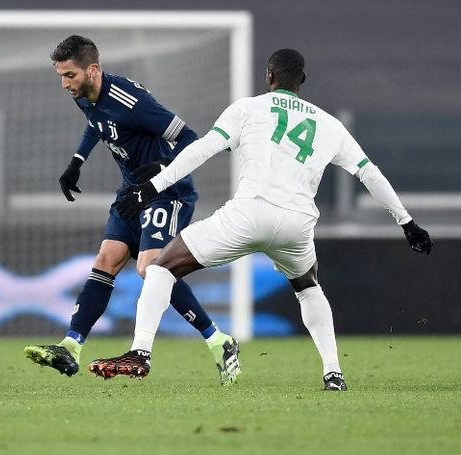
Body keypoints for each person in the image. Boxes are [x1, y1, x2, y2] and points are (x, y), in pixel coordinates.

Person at [89, 48, 433, 391]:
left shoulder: (248, 108)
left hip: (249, 214)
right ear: (302, 81)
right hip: (297, 224)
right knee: (309, 287)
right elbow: (369, 174)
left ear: (269, 77)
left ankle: (140, 352)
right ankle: (333, 373)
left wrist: (153, 186)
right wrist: (406, 222)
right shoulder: (330, 125)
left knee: (162, 268)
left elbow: (203, 148)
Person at [23, 35, 241, 385]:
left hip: (166, 191)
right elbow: (97, 122)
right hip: (131, 192)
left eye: (70, 76)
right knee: (107, 258)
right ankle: (71, 346)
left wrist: (159, 169)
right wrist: (78, 160)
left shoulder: (131, 100)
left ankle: (219, 340)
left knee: (150, 267)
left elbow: (189, 137)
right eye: (61, 76)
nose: (65, 84)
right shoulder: (85, 94)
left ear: (92, 70)